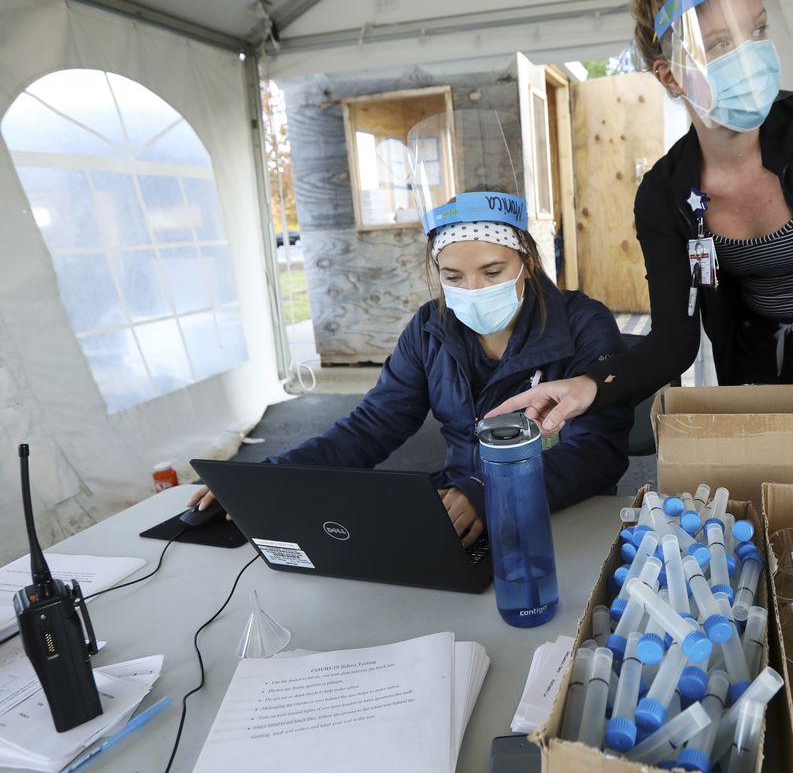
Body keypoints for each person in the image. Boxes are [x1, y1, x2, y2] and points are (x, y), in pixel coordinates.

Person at [491, 0, 793, 434]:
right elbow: (675, 340)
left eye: (757, 30)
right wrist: (591, 384)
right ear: (670, 74)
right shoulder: (665, 195)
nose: (749, 56)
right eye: (718, 44)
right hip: (761, 380)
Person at [189, 113, 632, 547]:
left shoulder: (582, 324)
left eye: (493, 271)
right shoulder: (430, 328)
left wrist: (488, 493)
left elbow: (595, 454)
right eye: (453, 277)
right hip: (458, 510)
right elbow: (372, 426)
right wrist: (272, 475)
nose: (472, 290)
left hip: (562, 512)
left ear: (527, 262)